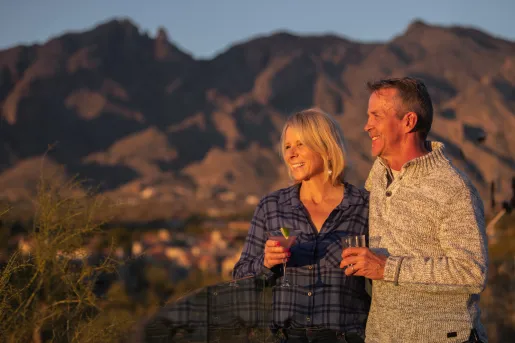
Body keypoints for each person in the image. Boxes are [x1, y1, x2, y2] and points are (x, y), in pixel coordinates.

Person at [340, 77, 488, 343]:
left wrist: (387, 267)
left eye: (376, 116)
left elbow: (471, 272)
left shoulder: (453, 188)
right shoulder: (379, 174)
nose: (366, 126)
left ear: (408, 121)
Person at [233, 108, 370, 343]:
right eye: (287, 147)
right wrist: (266, 263)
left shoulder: (364, 205)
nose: (291, 154)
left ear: (326, 147)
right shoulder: (272, 206)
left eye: (300, 144)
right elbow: (240, 279)